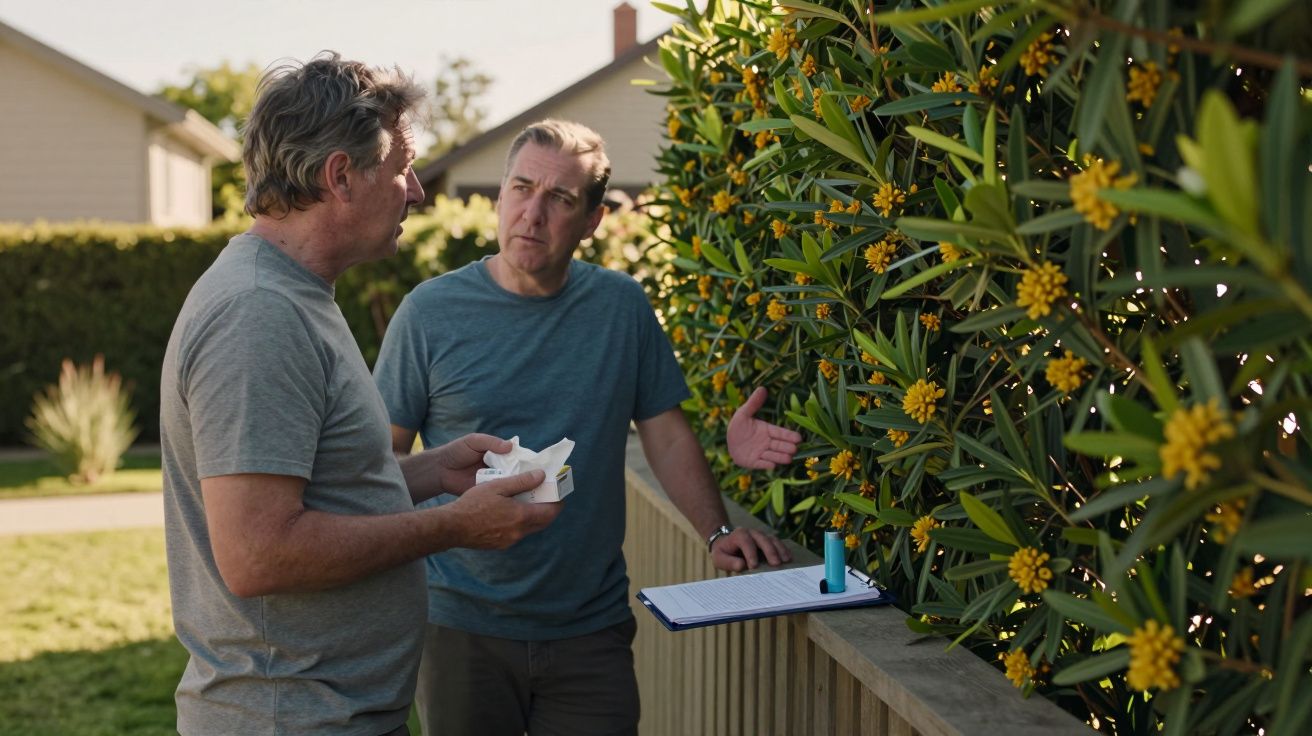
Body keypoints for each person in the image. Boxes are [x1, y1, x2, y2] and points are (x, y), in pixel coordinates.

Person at [159, 53, 560, 736]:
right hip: (291, 720)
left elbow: (318, 489)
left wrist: (433, 471)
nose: (417, 191)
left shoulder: (294, 293)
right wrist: (453, 525)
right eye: (403, 168)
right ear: (340, 176)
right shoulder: (258, 313)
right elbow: (258, 553)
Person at [373, 119, 793, 736]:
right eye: (522, 188)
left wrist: (716, 531)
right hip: (461, 624)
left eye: (560, 199)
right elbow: (381, 463)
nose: (533, 214)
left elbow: (665, 432)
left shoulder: (621, 307)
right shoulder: (429, 313)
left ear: (592, 220)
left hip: (589, 629)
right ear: (501, 195)